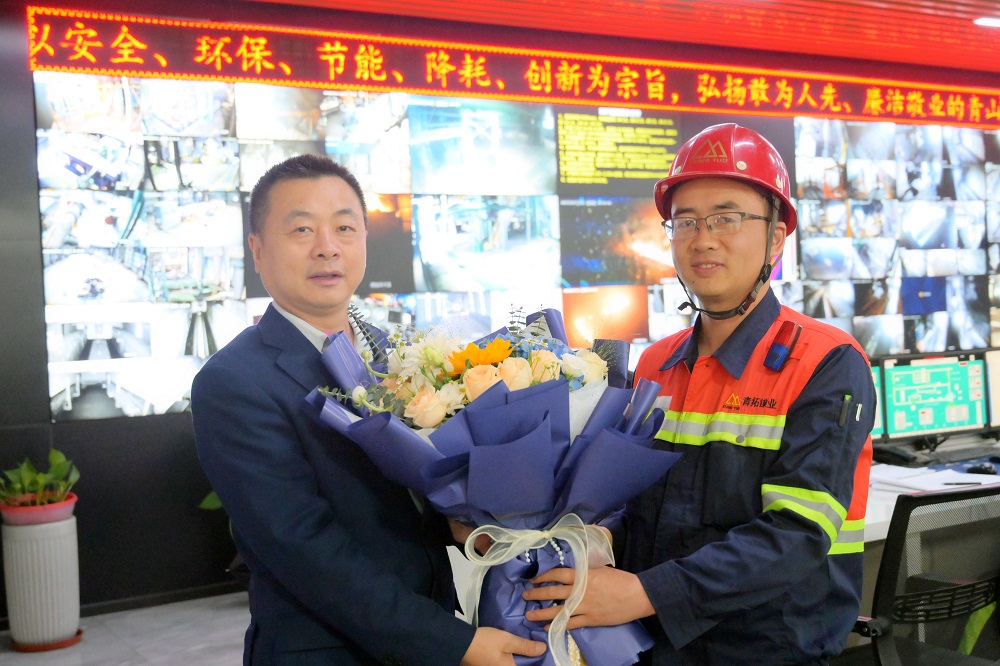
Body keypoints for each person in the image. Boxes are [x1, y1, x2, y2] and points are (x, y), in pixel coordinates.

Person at [524, 123, 875, 665]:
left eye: (727, 218)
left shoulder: (825, 362)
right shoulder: (656, 364)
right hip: (649, 646)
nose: (703, 238)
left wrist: (644, 594)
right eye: (685, 221)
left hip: (767, 651)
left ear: (776, 237)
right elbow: (634, 505)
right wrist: (582, 538)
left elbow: (796, 535)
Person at [191, 153, 546, 665]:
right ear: (258, 250)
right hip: (329, 650)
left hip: (435, 623)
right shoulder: (234, 382)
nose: (327, 247)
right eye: (302, 229)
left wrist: (474, 522)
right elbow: (306, 550)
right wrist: (454, 644)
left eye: (344, 227)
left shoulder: (394, 352)